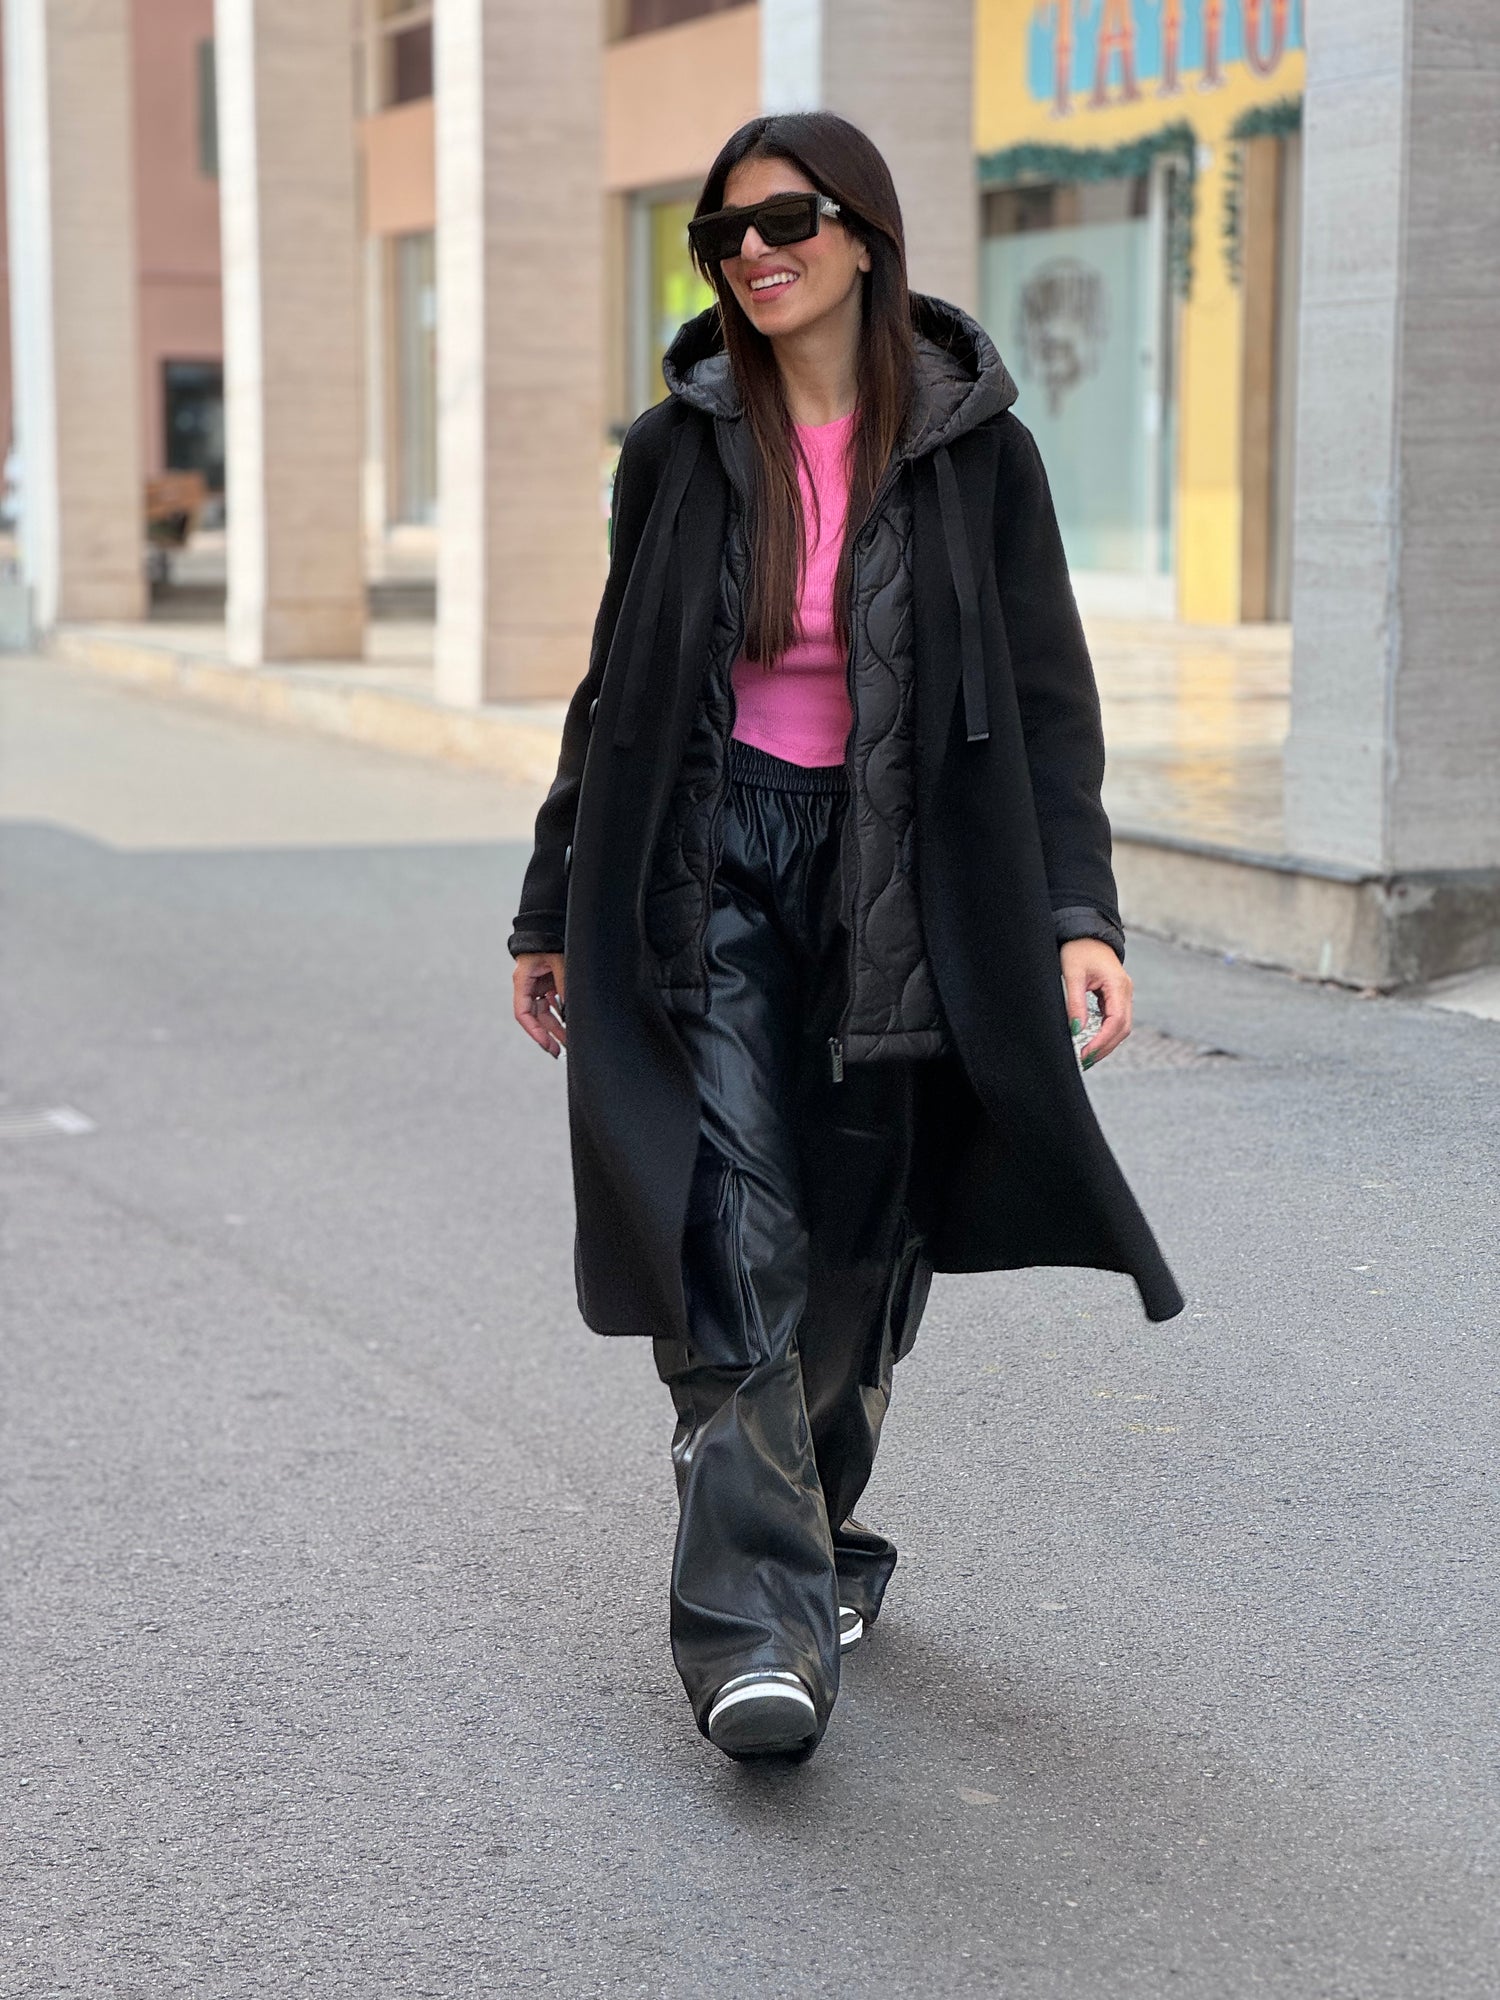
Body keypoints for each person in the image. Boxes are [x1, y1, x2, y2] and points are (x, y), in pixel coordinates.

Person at [508, 112, 1184, 1765]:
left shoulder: (974, 450)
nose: (754, 250)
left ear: (865, 234)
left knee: (861, 1256)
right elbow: (615, 688)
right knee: (729, 1223)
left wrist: (1076, 914)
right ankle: (756, 1630)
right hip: (709, 865)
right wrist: (550, 898)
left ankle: (812, 1532)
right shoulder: (679, 446)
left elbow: (1047, 702)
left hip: (901, 881)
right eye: (723, 232)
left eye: (788, 218)